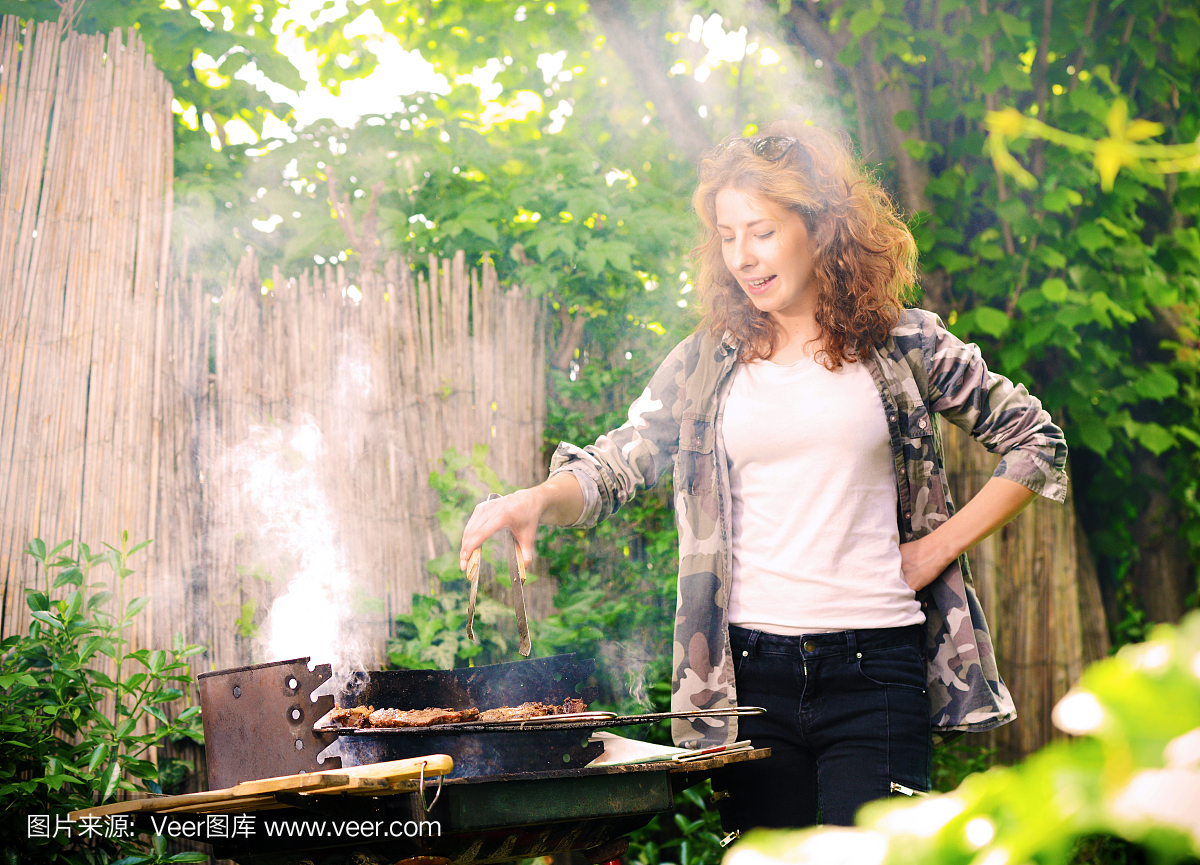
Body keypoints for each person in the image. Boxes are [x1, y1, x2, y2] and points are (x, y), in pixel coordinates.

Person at [458, 125, 1068, 832]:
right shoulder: (704, 362)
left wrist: (934, 550)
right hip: (747, 678)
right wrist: (538, 498)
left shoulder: (906, 344)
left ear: (820, 226)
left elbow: (1036, 441)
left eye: (762, 231)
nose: (742, 256)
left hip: (875, 668)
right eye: (727, 236)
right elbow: (614, 465)